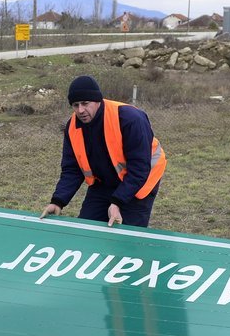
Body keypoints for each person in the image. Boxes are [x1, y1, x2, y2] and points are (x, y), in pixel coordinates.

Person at [40, 75, 166, 227]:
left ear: (97, 100)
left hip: (140, 181)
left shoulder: (130, 119)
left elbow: (139, 168)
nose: (80, 110)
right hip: (104, 183)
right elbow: (72, 169)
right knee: (87, 231)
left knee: (127, 236)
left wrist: (117, 202)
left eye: (85, 103)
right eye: (75, 105)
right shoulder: (72, 127)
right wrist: (58, 201)